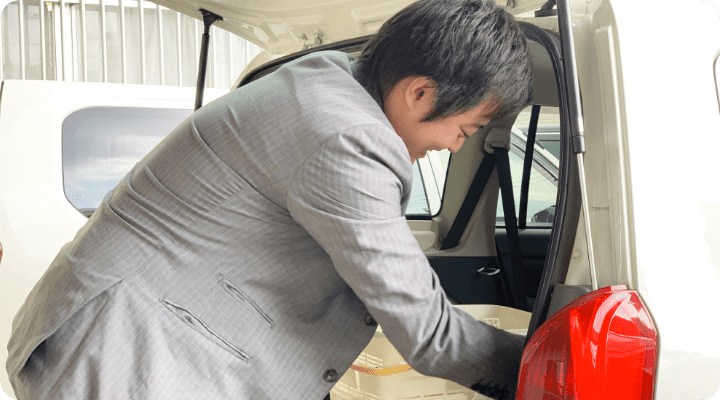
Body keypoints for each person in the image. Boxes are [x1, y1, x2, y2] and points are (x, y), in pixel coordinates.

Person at [7, 0, 532, 399]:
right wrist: (552, 366)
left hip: (126, 332)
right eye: (465, 129)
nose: (454, 146)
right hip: (126, 354)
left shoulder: (327, 79)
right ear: (420, 92)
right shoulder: (349, 137)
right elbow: (428, 333)